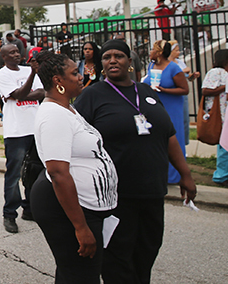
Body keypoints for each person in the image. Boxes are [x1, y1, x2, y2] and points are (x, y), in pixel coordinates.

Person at [74, 40, 196, 283]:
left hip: (152, 192)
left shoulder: (148, 93)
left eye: (118, 56)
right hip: (115, 196)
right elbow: (77, 144)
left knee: (147, 252)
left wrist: (186, 175)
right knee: (117, 258)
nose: (112, 60)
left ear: (130, 62)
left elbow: (169, 135)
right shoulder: (91, 96)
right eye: (106, 57)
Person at [31, 51, 118, 283]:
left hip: (83, 206)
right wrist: (80, 227)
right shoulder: (53, 115)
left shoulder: (67, 108)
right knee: (80, 275)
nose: (81, 77)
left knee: (79, 274)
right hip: (68, 208)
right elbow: (58, 173)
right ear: (58, 81)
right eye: (74, 73)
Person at [0, 43, 44, 234]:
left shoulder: (26, 70)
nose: (17, 54)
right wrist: (31, 76)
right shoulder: (2, 75)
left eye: (17, 51)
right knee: (14, 174)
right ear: (3, 57)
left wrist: (24, 92)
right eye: (12, 53)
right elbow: (17, 94)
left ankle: (30, 208)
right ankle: (9, 214)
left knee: (35, 172)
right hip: (16, 131)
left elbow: (41, 93)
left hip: (36, 128)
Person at [142, 40, 189, 183]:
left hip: (172, 108)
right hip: (155, 108)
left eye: (152, 50)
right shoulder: (151, 66)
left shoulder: (174, 68)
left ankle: (174, 176)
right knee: (157, 140)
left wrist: (164, 90)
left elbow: (184, 89)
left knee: (173, 139)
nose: (150, 52)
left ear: (159, 53)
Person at [201, 49, 228, 186]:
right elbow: (205, 90)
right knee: (224, 145)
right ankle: (221, 176)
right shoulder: (216, 72)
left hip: (225, 113)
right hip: (220, 114)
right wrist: (223, 87)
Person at [169, 40, 199, 146]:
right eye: (176, 50)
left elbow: (186, 77)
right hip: (172, 94)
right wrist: (183, 72)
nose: (178, 52)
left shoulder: (180, 62)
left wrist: (192, 76)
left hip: (182, 95)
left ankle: (184, 143)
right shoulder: (168, 64)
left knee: (185, 119)